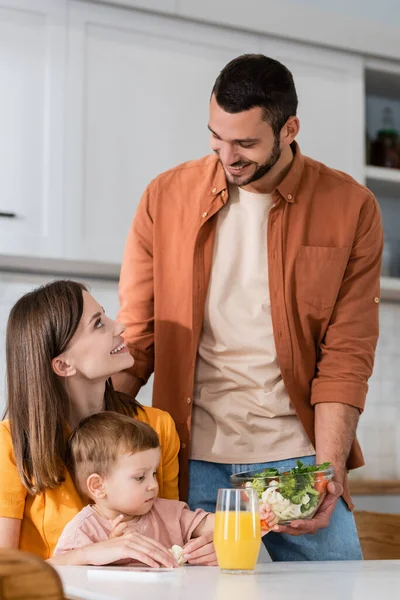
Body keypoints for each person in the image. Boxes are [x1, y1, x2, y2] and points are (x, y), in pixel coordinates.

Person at [115, 54, 383, 561]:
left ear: (289, 128)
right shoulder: (165, 196)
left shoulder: (351, 208)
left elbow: (346, 355)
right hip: (187, 461)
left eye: (245, 143)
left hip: (297, 462)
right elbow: (136, 340)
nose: (226, 155)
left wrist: (329, 469)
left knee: (337, 592)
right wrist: (79, 431)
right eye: (216, 137)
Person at [0, 280, 180, 564]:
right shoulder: (10, 445)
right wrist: (89, 555)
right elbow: (5, 570)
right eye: (98, 324)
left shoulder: (157, 427)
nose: (119, 326)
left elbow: (174, 530)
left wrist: (202, 542)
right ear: (63, 365)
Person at [54, 412, 218, 567]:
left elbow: (225, 525)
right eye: (140, 477)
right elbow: (47, 572)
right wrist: (93, 553)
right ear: (98, 486)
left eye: (154, 473)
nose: (153, 484)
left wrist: (223, 542)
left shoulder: (170, 514)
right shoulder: (84, 530)